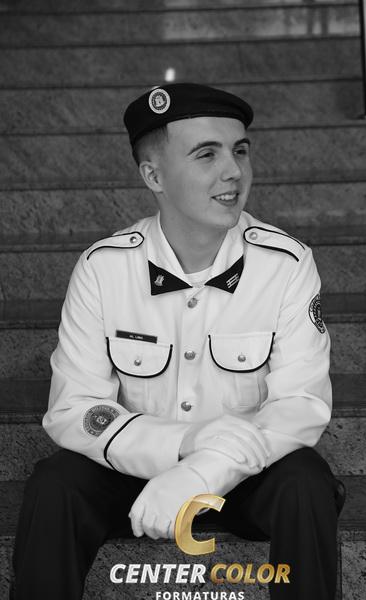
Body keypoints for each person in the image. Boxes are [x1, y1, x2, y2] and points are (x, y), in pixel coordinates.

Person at [11, 83, 345, 600]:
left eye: (239, 151)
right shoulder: (104, 268)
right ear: (154, 176)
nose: (233, 171)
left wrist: (208, 469)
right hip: (133, 473)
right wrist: (183, 447)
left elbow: (300, 404)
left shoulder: (286, 264)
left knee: (306, 482)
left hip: (245, 476)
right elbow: (75, 410)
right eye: (206, 154)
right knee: (55, 484)